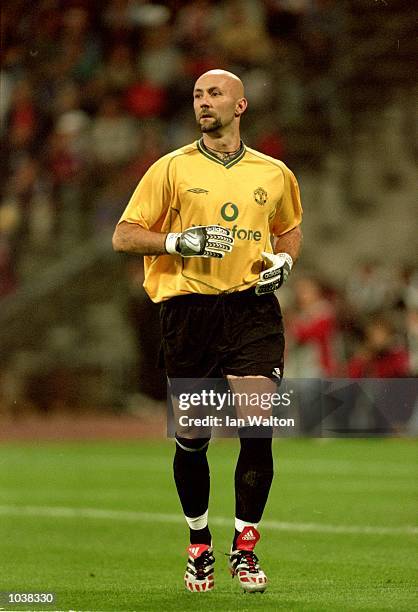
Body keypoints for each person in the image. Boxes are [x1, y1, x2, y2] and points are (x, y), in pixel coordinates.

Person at [112, 69, 303, 593]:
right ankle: (200, 544)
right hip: (189, 313)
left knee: (258, 425)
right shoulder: (170, 168)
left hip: (251, 311)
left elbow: (289, 230)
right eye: (197, 94)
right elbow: (124, 235)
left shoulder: (273, 172)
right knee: (193, 439)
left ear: (240, 106)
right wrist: (178, 243)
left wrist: (284, 262)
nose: (203, 101)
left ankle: (245, 548)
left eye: (214, 94)